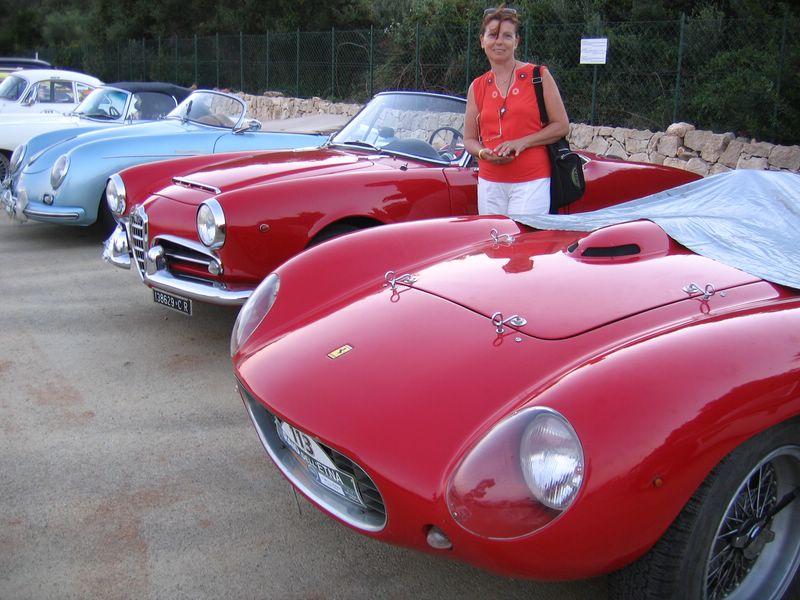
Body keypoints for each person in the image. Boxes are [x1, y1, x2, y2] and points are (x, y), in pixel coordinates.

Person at [464, 6, 570, 216]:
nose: (499, 42)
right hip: (490, 182)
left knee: (524, 235)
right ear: (482, 41)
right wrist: (484, 153)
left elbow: (561, 126)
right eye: (492, 35)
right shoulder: (477, 86)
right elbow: (469, 139)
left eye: (507, 36)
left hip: (531, 180)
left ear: (516, 41)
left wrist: (523, 142)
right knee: (493, 235)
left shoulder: (538, 76)